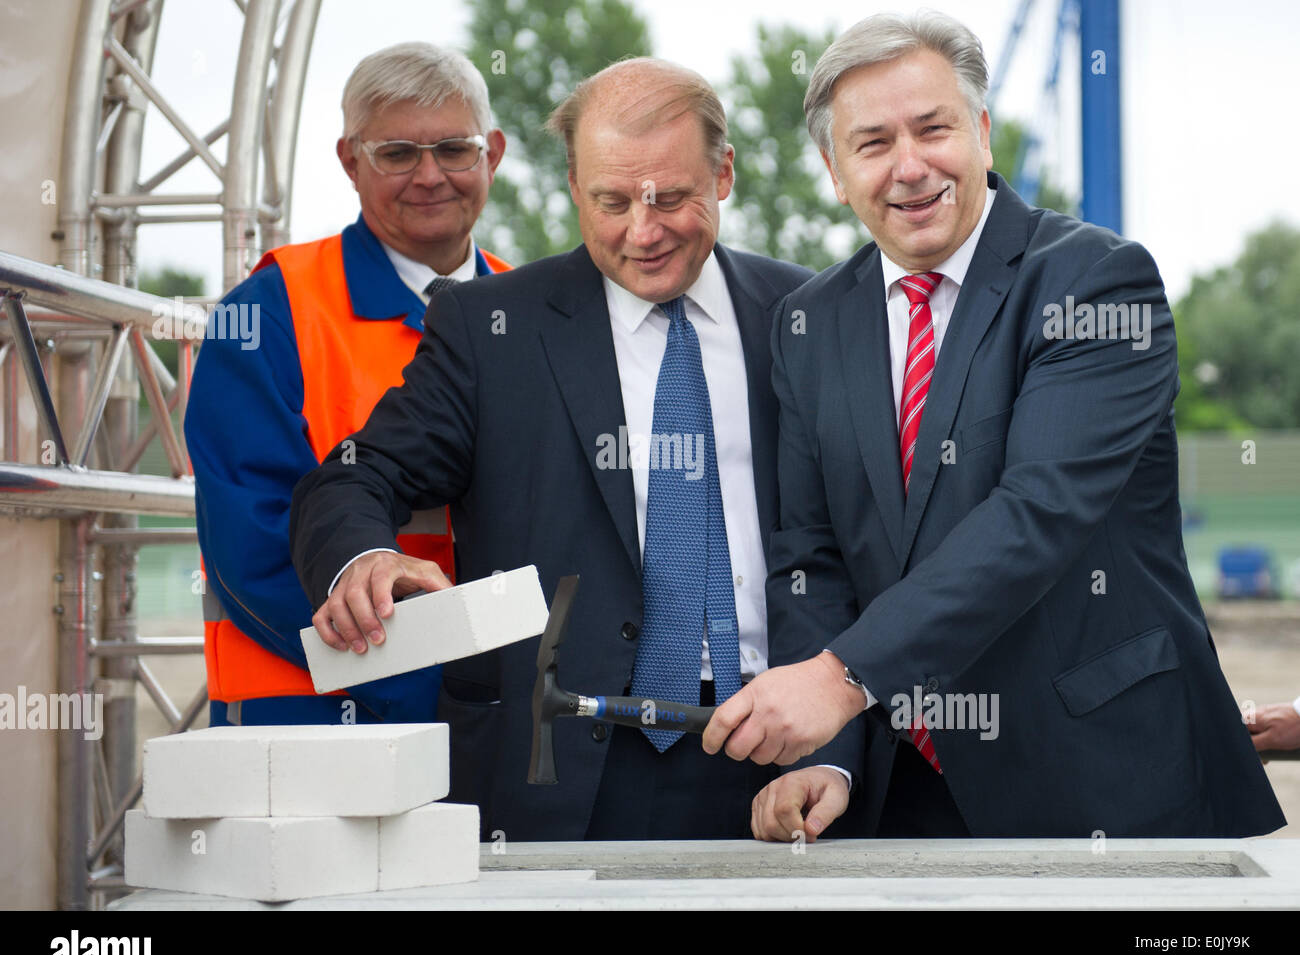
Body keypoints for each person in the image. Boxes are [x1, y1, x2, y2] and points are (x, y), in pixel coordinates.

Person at [701, 10, 1286, 841]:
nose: (910, 167)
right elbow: (811, 555)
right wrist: (825, 754)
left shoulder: (1097, 283)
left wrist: (841, 678)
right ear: (835, 171)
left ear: (980, 131)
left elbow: (1036, 513)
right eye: (872, 145)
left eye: (933, 129)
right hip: (901, 797)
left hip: (1103, 777)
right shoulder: (808, 324)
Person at [290, 58, 813, 841]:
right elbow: (356, 477)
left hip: (778, 755)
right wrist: (362, 557)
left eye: (671, 197)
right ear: (573, 185)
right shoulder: (489, 327)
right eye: (610, 202)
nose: (644, 231)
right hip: (558, 763)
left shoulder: (806, 314)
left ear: (724, 173)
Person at [186, 42, 508, 728]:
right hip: (312, 723)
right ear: (349, 161)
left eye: (455, 148)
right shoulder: (269, 311)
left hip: (504, 722)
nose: (429, 176)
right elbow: (254, 541)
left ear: (494, 154)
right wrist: (443, 679)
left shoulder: (533, 308)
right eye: (396, 153)